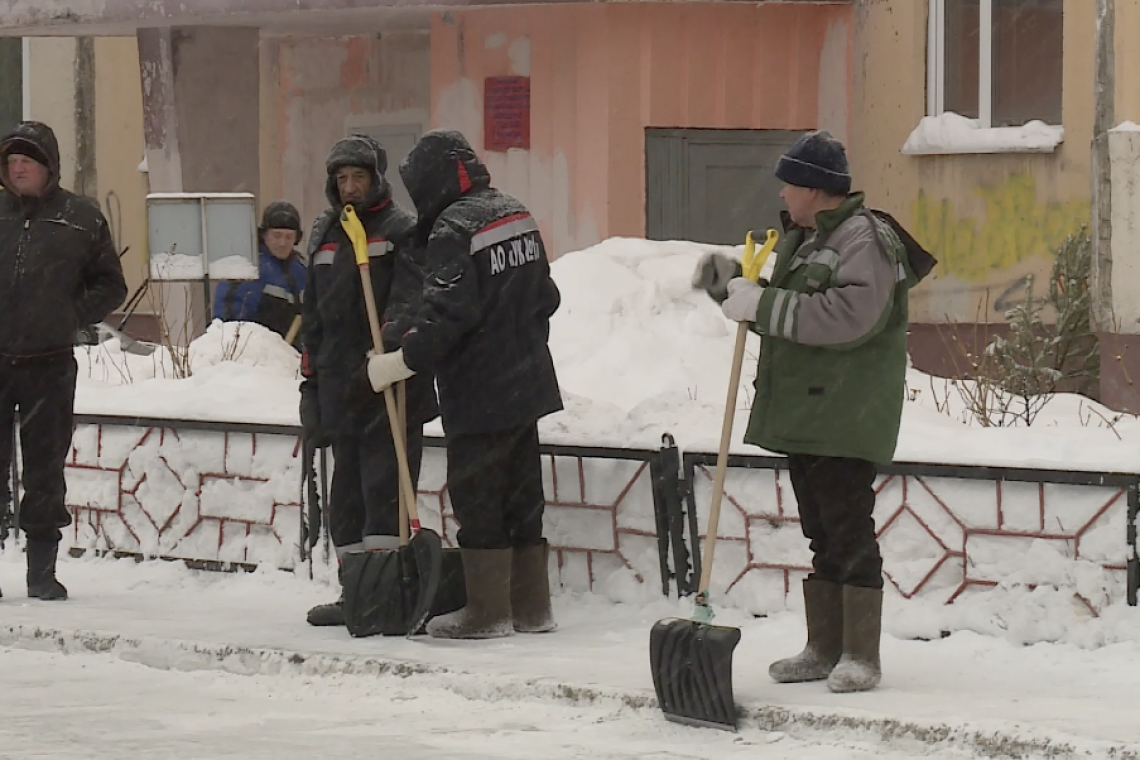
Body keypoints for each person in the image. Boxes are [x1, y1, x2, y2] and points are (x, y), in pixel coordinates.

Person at [693, 130, 915, 693]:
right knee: (822, 532)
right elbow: (794, 300)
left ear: (816, 189)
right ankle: (825, 647)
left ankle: (860, 656)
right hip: (812, 411)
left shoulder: (865, 239)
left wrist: (762, 304)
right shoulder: (813, 237)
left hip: (845, 412)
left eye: (790, 185)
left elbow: (847, 316)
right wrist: (735, 288)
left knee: (847, 531)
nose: (783, 196)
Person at [366, 129, 563, 640]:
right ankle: (532, 608)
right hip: (527, 380)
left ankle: (488, 612)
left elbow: (446, 316)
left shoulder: (453, 229)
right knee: (523, 495)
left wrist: (401, 361)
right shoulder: (514, 210)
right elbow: (547, 296)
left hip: (480, 390)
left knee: (478, 497)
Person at [300, 134, 438, 626]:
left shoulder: (400, 230)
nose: (350, 187)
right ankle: (355, 588)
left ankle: (389, 590)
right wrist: (311, 381)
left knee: (386, 490)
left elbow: (411, 298)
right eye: (342, 179)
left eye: (358, 177)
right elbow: (313, 314)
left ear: (376, 179)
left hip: (386, 382)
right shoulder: (326, 235)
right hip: (341, 384)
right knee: (347, 496)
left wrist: (387, 342)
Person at [0, 120, 128, 601]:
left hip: (48, 364)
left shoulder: (81, 217)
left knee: (44, 469)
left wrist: (69, 315)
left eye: (26, 161)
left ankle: (41, 571)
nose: (17, 169)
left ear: (48, 167)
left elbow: (110, 284)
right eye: (11, 162)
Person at [213, 200, 307, 348]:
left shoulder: (302, 270)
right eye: (277, 235)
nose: (283, 242)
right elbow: (231, 320)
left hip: (293, 358)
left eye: (289, 237)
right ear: (264, 235)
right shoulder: (247, 269)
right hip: (257, 357)